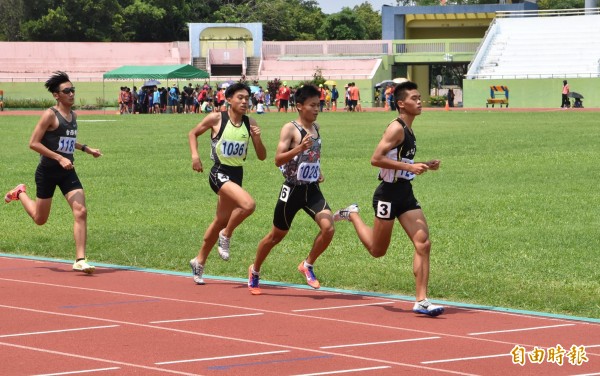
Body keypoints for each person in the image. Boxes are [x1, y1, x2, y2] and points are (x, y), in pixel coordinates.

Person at [333, 81, 445, 317]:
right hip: (387, 195)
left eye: (420, 97)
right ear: (402, 103)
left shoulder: (409, 129)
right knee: (377, 250)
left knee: (423, 243)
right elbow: (376, 159)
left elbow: (401, 163)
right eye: (414, 98)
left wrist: (423, 165)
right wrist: (409, 165)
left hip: (405, 192)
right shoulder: (396, 128)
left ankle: (421, 300)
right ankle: (352, 214)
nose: (419, 101)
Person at [4, 71, 103, 274]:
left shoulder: (73, 116)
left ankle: (80, 259)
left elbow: (65, 141)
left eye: (73, 90)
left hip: (68, 172)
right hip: (47, 172)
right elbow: (33, 143)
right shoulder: (50, 114)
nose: (72, 94)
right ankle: (20, 192)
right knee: (40, 219)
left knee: (81, 212)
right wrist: (58, 157)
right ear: (56, 95)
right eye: (67, 91)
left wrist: (86, 149)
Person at [248, 84, 335, 295]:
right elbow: (277, 160)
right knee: (276, 236)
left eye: (319, 104)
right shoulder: (290, 128)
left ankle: (307, 264)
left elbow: (312, 156)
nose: (317, 109)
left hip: (311, 189)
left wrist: (317, 171)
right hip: (292, 190)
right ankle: (255, 269)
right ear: (299, 106)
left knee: (328, 228)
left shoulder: (316, 128)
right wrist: (299, 148)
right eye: (312, 105)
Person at [188, 83, 267, 285]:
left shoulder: (250, 123)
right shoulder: (217, 118)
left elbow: (262, 156)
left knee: (220, 220)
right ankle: (227, 234)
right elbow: (193, 133)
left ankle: (199, 261)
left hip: (236, 174)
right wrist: (195, 156)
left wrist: (257, 138)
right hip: (219, 172)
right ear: (229, 99)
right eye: (240, 97)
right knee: (248, 205)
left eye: (247, 98)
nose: (244, 101)